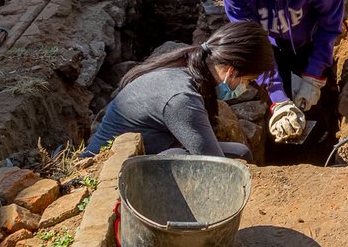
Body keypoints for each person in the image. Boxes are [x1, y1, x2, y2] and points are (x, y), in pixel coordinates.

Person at [83, 21, 297, 160]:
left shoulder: (187, 66)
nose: (246, 87)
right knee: (215, 165)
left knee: (241, 153)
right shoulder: (182, 100)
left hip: (148, 148)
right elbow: (213, 163)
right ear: (231, 72)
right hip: (113, 164)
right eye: (248, 80)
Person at [218, 0, 345, 148]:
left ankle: (319, 144)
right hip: (271, 50)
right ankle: (283, 148)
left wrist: (314, 75)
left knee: (315, 107)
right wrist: (277, 98)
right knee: (284, 100)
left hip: (311, 42)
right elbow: (252, 42)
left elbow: (330, 24)